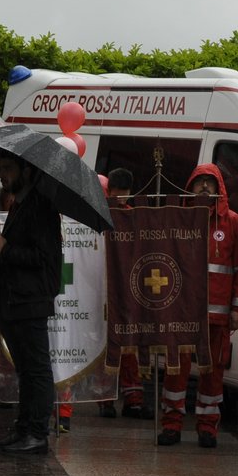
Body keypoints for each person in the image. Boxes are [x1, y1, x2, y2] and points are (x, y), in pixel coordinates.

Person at [157, 164, 238, 448]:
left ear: (220, 187)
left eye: (211, 182)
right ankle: (171, 425)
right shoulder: (177, 219)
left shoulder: (234, 223)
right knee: (175, 371)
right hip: (182, 313)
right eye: (200, 183)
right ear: (190, 187)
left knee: (213, 374)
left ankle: (207, 428)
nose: (205, 188)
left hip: (218, 316)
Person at [0, 155, 63, 455]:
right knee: (25, 371)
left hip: (30, 300)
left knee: (36, 369)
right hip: (14, 299)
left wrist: (7, 248)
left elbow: (43, 259)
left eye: (7, 169)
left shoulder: (41, 206)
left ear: (26, 171)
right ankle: (23, 429)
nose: (1, 174)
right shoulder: (19, 203)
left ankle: (37, 433)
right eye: (1, 167)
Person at [100, 167, 150, 420]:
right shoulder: (99, 215)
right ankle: (105, 399)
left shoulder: (134, 217)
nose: (121, 197)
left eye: (125, 193)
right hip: (105, 289)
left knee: (129, 346)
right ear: (109, 190)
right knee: (106, 345)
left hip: (128, 288)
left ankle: (133, 399)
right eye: (117, 192)